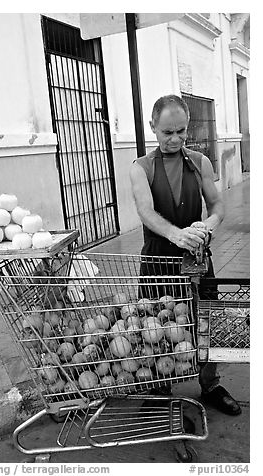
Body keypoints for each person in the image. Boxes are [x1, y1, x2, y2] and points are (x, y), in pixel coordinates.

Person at [129, 94, 241, 416]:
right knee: (155, 329)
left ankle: (210, 384)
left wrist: (208, 224)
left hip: (198, 260)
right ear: (153, 127)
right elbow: (146, 212)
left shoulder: (200, 163)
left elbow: (217, 204)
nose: (175, 139)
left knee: (206, 324)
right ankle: (161, 391)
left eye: (181, 131)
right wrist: (176, 234)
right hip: (158, 261)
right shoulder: (141, 168)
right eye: (167, 132)